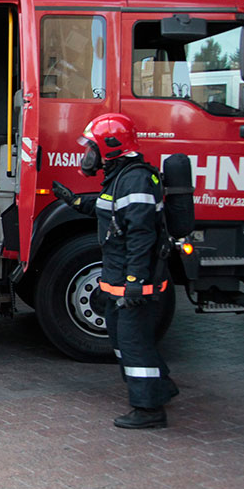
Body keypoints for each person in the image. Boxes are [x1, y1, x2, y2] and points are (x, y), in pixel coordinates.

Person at [53, 112, 179, 429]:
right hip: (118, 277)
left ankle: (149, 409)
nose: (87, 155)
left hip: (132, 281)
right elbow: (109, 207)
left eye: (91, 148)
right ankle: (160, 387)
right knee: (124, 338)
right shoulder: (122, 177)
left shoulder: (136, 179)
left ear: (111, 147)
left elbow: (141, 235)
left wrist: (135, 283)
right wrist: (74, 203)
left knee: (133, 342)